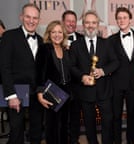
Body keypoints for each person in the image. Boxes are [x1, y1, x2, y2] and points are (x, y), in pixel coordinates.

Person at [69, 10, 119, 144]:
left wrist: (103, 71)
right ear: (83, 24)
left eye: (93, 22)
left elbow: (115, 62)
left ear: (98, 24)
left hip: (105, 91)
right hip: (85, 92)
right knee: (89, 124)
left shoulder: (106, 43)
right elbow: (72, 66)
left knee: (107, 122)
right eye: (87, 22)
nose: (90, 25)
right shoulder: (75, 45)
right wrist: (82, 76)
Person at [0, 3, 44, 144]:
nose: (31, 21)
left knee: (36, 131)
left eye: (35, 18)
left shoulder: (42, 41)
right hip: (16, 93)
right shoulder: (9, 36)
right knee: (16, 132)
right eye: (28, 17)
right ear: (21, 17)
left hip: (36, 94)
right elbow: (4, 67)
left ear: (38, 20)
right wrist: (11, 95)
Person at [108, 7, 134, 144]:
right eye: (119, 18)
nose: (122, 20)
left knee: (132, 115)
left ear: (130, 19)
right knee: (116, 116)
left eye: (124, 17)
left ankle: (131, 140)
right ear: (116, 21)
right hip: (116, 84)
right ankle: (117, 141)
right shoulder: (111, 40)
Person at [35, 20, 71, 144]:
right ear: (49, 34)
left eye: (60, 32)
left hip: (66, 94)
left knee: (64, 125)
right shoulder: (44, 48)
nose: (57, 35)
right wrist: (40, 93)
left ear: (64, 34)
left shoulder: (66, 50)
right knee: (52, 126)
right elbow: (39, 72)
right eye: (53, 32)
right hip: (51, 92)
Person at [61, 9, 83, 144]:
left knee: (76, 116)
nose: (71, 24)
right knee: (62, 117)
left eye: (73, 21)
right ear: (63, 22)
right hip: (61, 86)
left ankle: (74, 140)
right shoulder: (56, 38)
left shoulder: (82, 39)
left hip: (78, 86)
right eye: (68, 21)